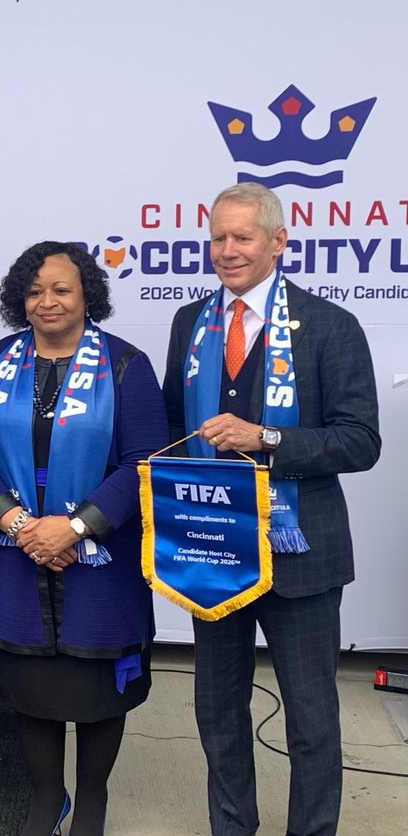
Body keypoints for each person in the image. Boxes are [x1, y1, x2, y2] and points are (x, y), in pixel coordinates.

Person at [162, 183, 380, 836]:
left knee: (312, 721)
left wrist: (268, 439)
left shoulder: (329, 326)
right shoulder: (189, 324)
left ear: (278, 242)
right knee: (217, 712)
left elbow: (361, 440)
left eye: (242, 238)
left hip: (303, 555)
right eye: (217, 238)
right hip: (212, 552)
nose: (227, 251)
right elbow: (175, 424)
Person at [0, 241, 167, 836]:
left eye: (62, 289)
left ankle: (91, 803)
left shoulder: (126, 365)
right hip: (14, 555)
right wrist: (20, 525)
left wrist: (74, 526)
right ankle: (48, 800)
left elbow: (145, 461)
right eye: (35, 290)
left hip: (102, 560)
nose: (48, 301)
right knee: (31, 691)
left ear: (87, 295)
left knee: (98, 692)